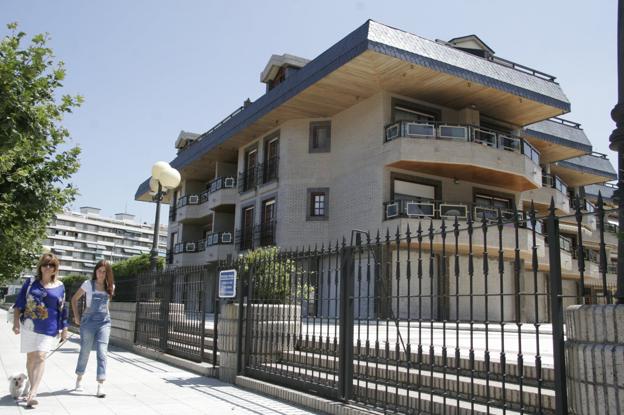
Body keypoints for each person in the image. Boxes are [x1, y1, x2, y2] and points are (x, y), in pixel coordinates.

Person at [12, 253, 69, 407]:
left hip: (49, 327)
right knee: (31, 358)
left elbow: (62, 308)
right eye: (45, 264)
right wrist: (16, 322)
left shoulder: (60, 286)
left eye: (51, 265)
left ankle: (33, 393)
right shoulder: (30, 282)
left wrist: (64, 328)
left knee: (41, 356)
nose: (48, 267)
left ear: (55, 269)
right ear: (41, 267)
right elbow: (19, 302)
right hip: (29, 325)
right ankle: (31, 386)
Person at [71, 259, 114, 398]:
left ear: (108, 274)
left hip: (104, 322)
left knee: (102, 352)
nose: (101, 274)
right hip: (88, 322)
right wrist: (77, 317)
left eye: (104, 272)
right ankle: (79, 379)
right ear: (95, 271)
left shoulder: (111, 286)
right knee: (85, 350)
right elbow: (74, 299)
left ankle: (100, 385)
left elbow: (107, 306)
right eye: (99, 271)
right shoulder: (88, 284)